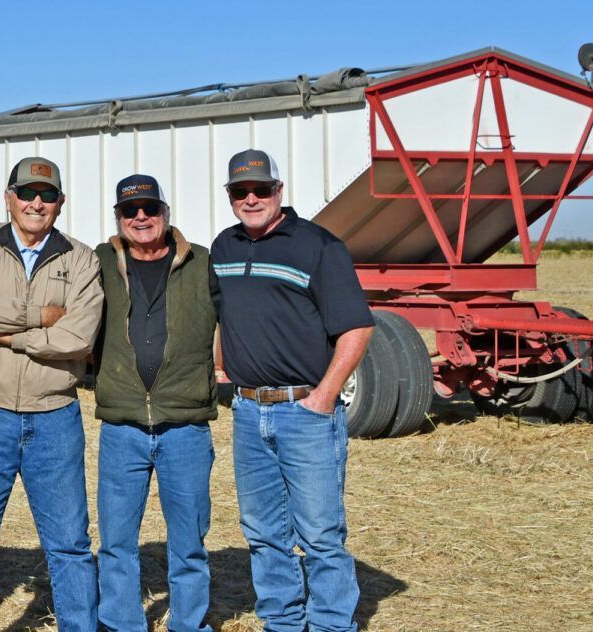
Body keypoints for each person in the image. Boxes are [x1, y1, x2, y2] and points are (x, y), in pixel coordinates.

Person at [210, 149, 373, 632]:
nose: (252, 198)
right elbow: (221, 317)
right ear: (230, 197)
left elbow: (357, 328)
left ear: (280, 191)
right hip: (246, 410)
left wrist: (323, 398)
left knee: (320, 533)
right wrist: (223, 366)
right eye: (241, 191)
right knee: (262, 533)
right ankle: (281, 621)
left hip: (304, 411)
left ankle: (329, 624)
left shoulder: (319, 246)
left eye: (262, 189)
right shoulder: (224, 248)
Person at [0, 156, 104, 631]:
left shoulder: (81, 258)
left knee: (70, 545)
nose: (37, 203)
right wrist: (41, 315)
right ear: (8, 196)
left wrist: (11, 335)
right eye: (28, 193)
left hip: (53, 416)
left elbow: (79, 336)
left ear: (60, 202)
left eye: (48, 195)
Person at [92, 174, 217, 632]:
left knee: (188, 543)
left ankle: (189, 624)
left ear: (165, 213)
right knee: (117, 541)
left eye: (149, 208)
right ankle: (123, 623)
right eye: (130, 210)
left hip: (185, 427)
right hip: (121, 426)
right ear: (118, 218)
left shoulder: (202, 262)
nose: (140, 217)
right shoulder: (98, 261)